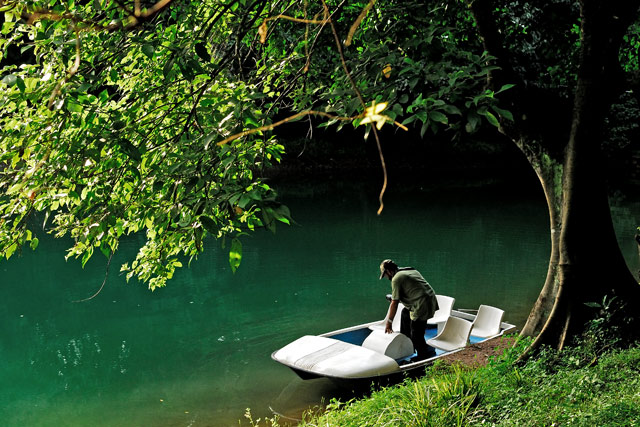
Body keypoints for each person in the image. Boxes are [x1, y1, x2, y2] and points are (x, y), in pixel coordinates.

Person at [379, 259, 439, 361]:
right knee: (405, 313)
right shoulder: (409, 270)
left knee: (416, 334)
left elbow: (394, 303)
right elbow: (413, 291)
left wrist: (389, 323)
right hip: (429, 301)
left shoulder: (396, 278)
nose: (386, 277)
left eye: (385, 275)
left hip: (421, 305)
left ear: (388, 271)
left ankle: (424, 356)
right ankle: (407, 342)